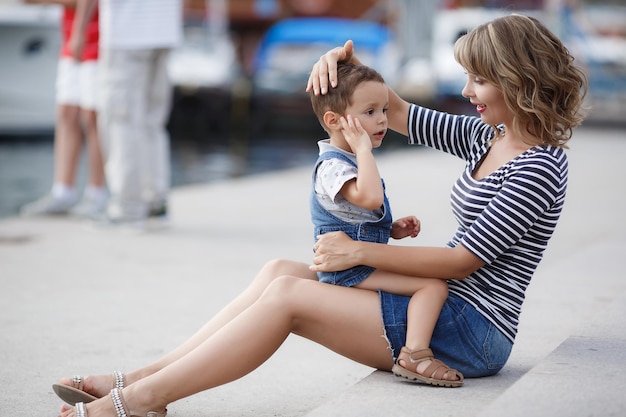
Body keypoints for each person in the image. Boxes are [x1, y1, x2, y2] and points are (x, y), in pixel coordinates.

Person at [52, 14, 587, 417]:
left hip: (472, 331)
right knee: (278, 273)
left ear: (518, 80)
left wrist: (358, 251)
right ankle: (140, 376)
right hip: (442, 307)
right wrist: (339, 66)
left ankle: (141, 400)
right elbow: (395, 110)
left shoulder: (538, 167)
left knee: (290, 298)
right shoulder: (486, 137)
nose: (466, 92)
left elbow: (463, 261)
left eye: (478, 80)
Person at [309, 62, 461, 386]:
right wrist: (364, 149)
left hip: (356, 261)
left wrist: (391, 229)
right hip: (347, 270)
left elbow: (358, 213)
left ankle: (415, 349)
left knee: (430, 284)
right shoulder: (333, 166)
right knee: (432, 286)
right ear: (334, 121)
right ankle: (415, 354)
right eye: (370, 112)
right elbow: (370, 198)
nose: (381, 120)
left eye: (385, 110)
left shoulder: (350, 160)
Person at [69, 0, 182, 227]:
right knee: (152, 123)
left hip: (127, 34)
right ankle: (155, 204)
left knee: (121, 122)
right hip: (165, 29)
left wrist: (79, 30)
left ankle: (126, 209)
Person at [20, 0, 107, 218]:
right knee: (67, 113)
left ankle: (97, 194)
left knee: (92, 118)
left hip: (96, 40)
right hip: (72, 39)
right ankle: (63, 192)